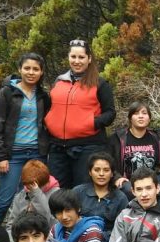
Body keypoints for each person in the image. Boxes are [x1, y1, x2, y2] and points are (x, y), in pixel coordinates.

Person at [0, 53, 52, 223]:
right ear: (20, 69)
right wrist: (0, 156)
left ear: (41, 72)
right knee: (5, 201)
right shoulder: (7, 93)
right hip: (13, 155)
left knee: (36, 198)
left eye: (35, 69)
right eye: (27, 68)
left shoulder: (43, 96)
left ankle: (28, 239)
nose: (31, 72)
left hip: (37, 155)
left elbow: (46, 124)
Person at [45, 39, 116, 189]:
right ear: (68, 57)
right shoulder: (59, 81)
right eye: (73, 57)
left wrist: (91, 123)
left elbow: (110, 113)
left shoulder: (100, 83)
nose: (77, 61)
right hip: (58, 148)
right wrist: (49, 122)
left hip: (87, 148)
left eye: (81, 57)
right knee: (57, 192)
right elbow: (50, 108)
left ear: (89, 59)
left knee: (82, 191)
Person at [109, 101, 160, 199]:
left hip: (150, 181)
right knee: (131, 191)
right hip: (127, 181)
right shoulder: (119, 138)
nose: (141, 116)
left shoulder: (155, 138)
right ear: (130, 118)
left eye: (144, 113)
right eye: (136, 113)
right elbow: (108, 162)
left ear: (149, 118)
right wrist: (117, 178)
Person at [72, 152, 130, 242]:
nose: (101, 174)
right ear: (90, 172)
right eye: (97, 170)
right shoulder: (78, 192)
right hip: (78, 239)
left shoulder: (120, 198)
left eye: (106, 170)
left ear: (112, 174)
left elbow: (124, 229)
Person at [5, 159, 60, 242]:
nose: (31, 188)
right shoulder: (21, 196)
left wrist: (36, 193)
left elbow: (49, 220)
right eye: (29, 186)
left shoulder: (56, 194)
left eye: (37, 186)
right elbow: (11, 225)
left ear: (47, 182)